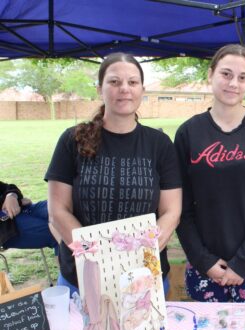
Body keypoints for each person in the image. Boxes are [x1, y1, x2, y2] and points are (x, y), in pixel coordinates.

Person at [45, 52, 182, 296]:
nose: (124, 89)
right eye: (114, 82)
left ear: (142, 89)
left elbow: (171, 212)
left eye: (132, 82)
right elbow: (58, 211)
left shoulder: (160, 144)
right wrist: (94, 257)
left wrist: (141, 253)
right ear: (100, 89)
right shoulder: (72, 140)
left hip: (143, 280)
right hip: (83, 279)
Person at [174, 44, 245, 303]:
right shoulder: (188, 133)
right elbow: (180, 205)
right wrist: (204, 260)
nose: (233, 83)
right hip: (207, 267)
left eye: (242, 77)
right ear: (210, 74)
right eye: (226, 74)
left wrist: (243, 261)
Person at [0, 181, 58, 253]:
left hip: (24, 209)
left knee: (62, 208)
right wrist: (19, 202)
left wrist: (11, 195)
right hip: (7, 228)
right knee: (59, 231)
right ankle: (68, 263)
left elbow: (8, 188)